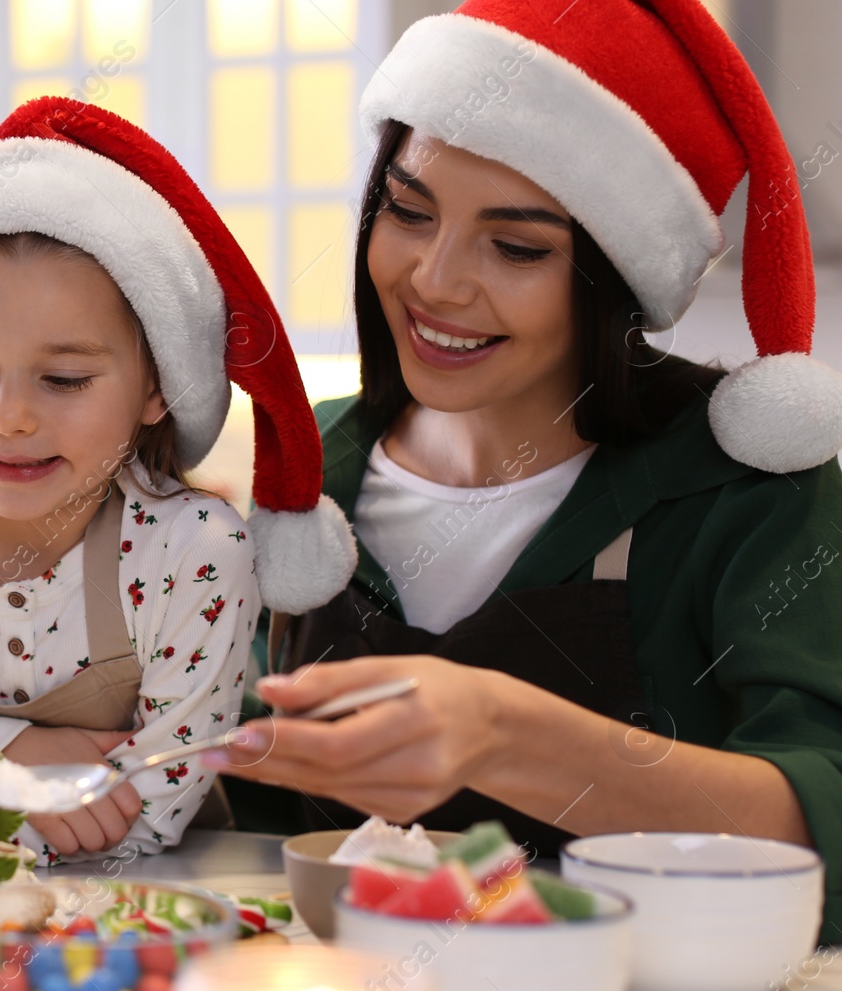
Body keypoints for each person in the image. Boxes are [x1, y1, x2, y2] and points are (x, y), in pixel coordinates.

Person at [211, 0, 842, 939]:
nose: (435, 280)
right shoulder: (303, 481)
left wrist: (505, 732)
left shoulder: (752, 494)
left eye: (516, 247)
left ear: (618, 272)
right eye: (408, 211)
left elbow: (821, 828)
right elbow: (245, 843)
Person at [0, 99, 356, 864]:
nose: (8, 417)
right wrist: (2, 753)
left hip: (136, 937)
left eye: (64, 379)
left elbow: (146, 815)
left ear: (155, 388)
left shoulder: (195, 552)